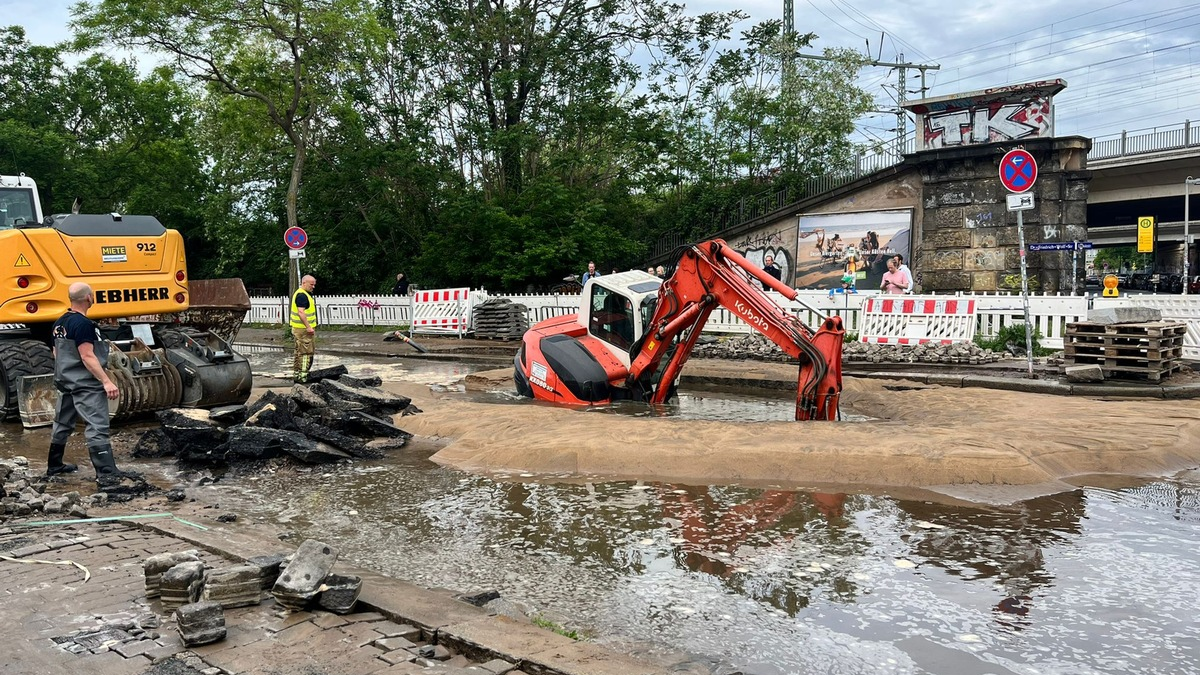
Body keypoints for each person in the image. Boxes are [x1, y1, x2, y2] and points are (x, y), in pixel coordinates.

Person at [47, 282, 121, 482]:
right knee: (97, 425)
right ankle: (106, 473)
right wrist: (106, 381)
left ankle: (54, 465)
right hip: (85, 384)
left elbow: (56, 353)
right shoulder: (84, 324)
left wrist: (68, 374)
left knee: (62, 423)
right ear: (89, 298)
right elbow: (87, 355)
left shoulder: (59, 323)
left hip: (66, 381)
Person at [290, 275, 318, 383]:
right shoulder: (302, 295)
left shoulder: (301, 293)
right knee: (306, 353)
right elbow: (301, 312)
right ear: (304, 283)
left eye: (314, 284)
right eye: (311, 284)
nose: (313, 286)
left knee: (298, 352)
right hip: (303, 330)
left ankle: (297, 375)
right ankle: (303, 376)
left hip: (299, 329)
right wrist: (308, 327)